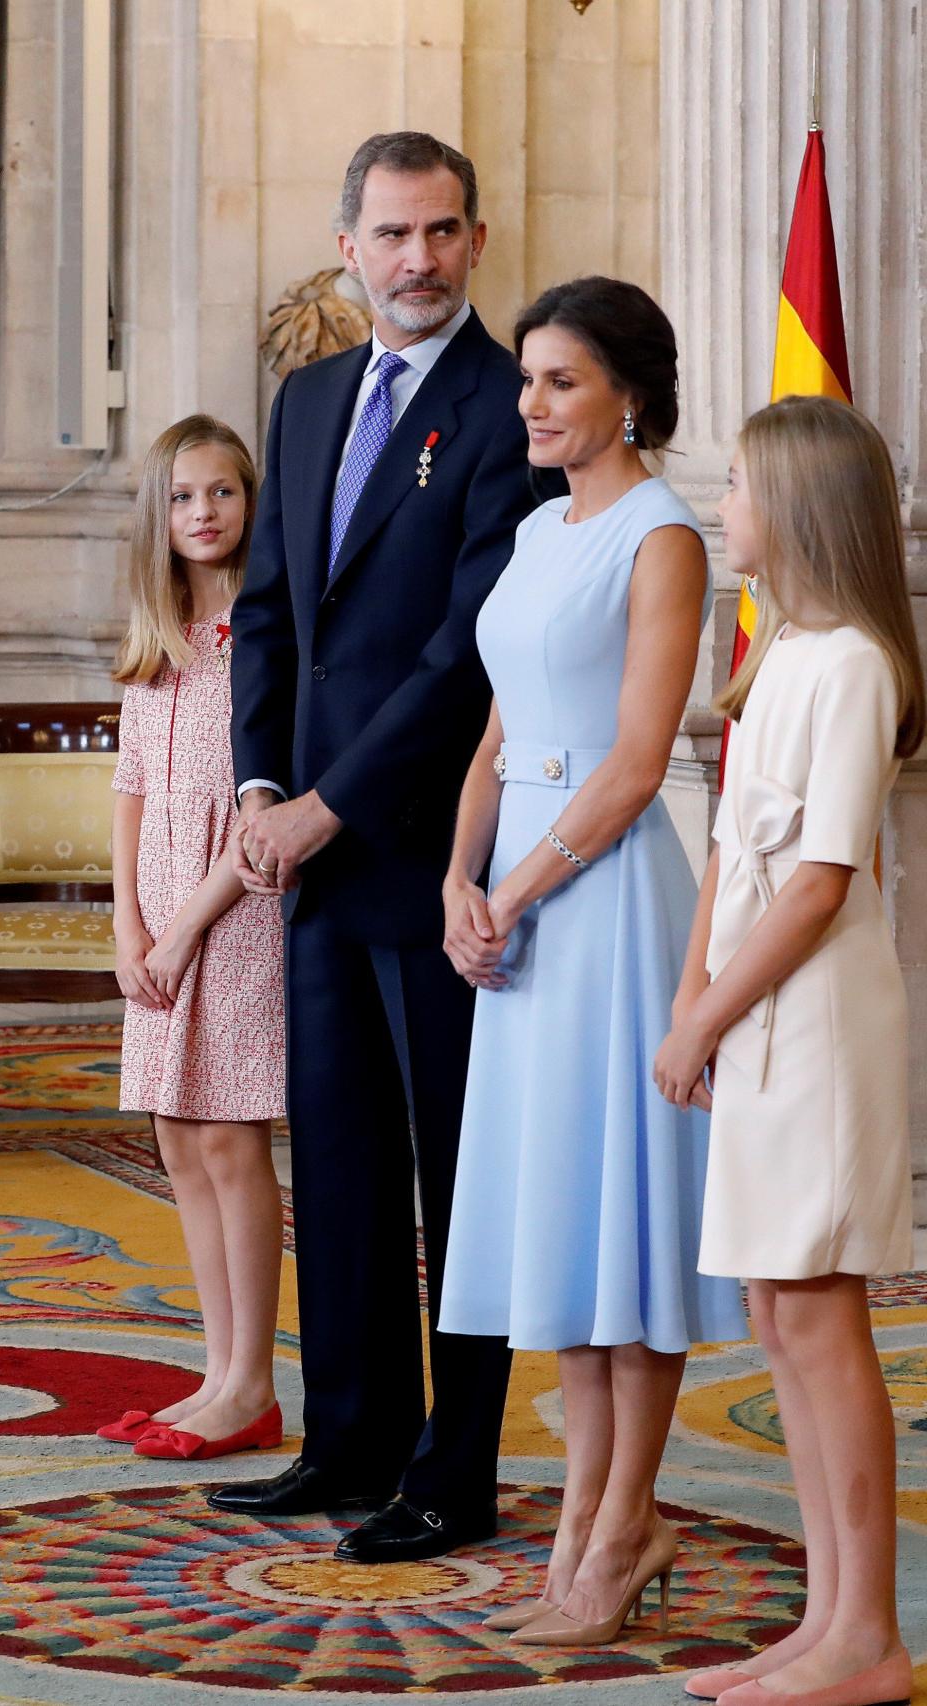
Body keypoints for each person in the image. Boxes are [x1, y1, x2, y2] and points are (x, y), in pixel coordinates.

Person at [206, 132, 550, 1561]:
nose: (419, 260)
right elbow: (272, 612)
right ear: (346, 244)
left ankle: (450, 1469)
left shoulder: (506, 406)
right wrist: (260, 781)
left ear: (475, 243)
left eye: (444, 233)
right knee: (338, 1156)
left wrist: (326, 803)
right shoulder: (304, 401)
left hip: (434, 850)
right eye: (394, 234)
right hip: (312, 852)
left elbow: (459, 655)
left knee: (457, 1172)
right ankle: (345, 1436)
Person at [439, 276, 747, 1646]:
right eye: (528, 382)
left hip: (610, 899)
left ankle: (625, 1521)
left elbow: (634, 763)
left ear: (631, 390)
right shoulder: (529, 528)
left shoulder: (665, 535)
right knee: (564, 1220)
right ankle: (582, 1509)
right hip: (519, 892)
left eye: (562, 380)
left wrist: (520, 883)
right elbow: (501, 734)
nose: (535, 405)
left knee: (627, 1218)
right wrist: (459, 878)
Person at [654, 396, 923, 1706]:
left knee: (819, 1316)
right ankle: (825, 1620)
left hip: (816, 1015)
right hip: (757, 1000)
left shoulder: (859, 660)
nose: (725, 504)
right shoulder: (777, 651)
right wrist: (691, 989)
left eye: (743, 485)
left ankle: (868, 1633)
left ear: (801, 506)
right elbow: (728, 849)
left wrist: (710, 1014)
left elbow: (817, 881)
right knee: (775, 1305)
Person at [101, 415, 285, 1463]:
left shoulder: (264, 628)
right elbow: (129, 786)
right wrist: (129, 920)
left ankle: (253, 1378)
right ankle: (217, 1369)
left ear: (250, 504)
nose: (202, 513)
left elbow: (266, 807)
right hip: (159, 913)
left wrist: (185, 927)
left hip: (238, 905)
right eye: (182, 497)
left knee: (227, 1132)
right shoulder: (157, 635)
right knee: (176, 1134)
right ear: (157, 517)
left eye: (220, 492)